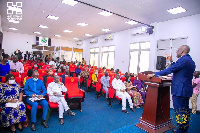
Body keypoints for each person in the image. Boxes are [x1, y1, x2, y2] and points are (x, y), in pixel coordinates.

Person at [147, 45, 195, 133]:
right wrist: (171, 60)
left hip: (180, 90)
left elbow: (171, 69)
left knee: (180, 111)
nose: (176, 51)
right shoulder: (190, 60)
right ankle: (184, 128)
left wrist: (155, 74)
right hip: (185, 89)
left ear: (182, 51)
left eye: (178, 50)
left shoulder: (183, 60)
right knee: (184, 110)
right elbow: (178, 68)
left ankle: (181, 130)